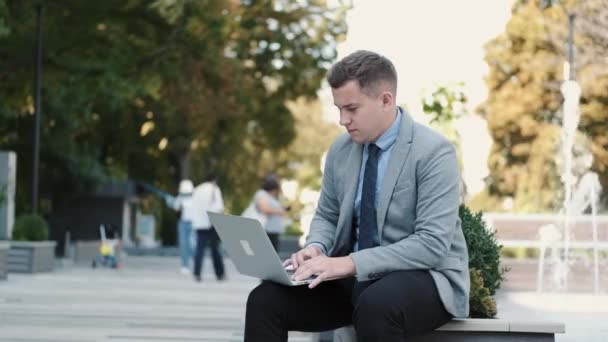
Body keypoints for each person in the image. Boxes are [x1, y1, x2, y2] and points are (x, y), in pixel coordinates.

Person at [244, 50, 470, 341]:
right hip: (353, 280)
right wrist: (317, 247)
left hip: (425, 276)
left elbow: (431, 244)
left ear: (386, 100)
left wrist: (349, 263)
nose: (342, 120)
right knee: (265, 299)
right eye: (339, 109)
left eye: (351, 109)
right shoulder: (341, 150)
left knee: (377, 304)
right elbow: (327, 214)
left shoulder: (434, 152)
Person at [190, 173, 226, 282]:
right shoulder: (215, 189)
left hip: (199, 223)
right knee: (215, 249)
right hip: (211, 223)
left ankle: (197, 273)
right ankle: (219, 273)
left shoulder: (197, 190)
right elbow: (219, 207)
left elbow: (193, 207)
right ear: (214, 180)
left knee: (199, 249)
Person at [165, 179, 196, 275]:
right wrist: (170, 201)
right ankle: (185, 266)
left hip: (193, 223)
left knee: (192, 245)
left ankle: (196, 264)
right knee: (183, 245)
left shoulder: (196, 197)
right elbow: (176, 206)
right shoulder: (180, 197)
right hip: (183, 223)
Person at [252, 174, 289, 252]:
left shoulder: (272, 197)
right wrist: (279, 211)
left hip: (273, 231)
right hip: (266, 231)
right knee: (265, 254)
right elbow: (264, 209)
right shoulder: (262, 194)